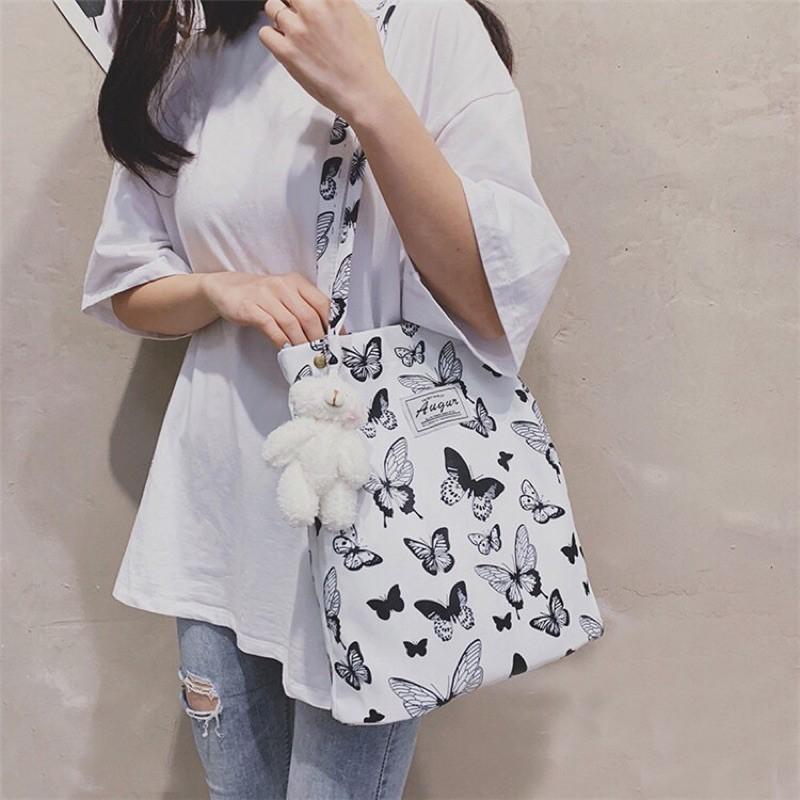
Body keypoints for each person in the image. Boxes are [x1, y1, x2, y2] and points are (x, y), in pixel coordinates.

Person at [81, 0, 571, 797]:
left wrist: (369, 94)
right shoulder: (194, 52)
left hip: (371, 520)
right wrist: (218, 288)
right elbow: (126, 281)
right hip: (218, 518)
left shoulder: (426, 26)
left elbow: (493, 302)